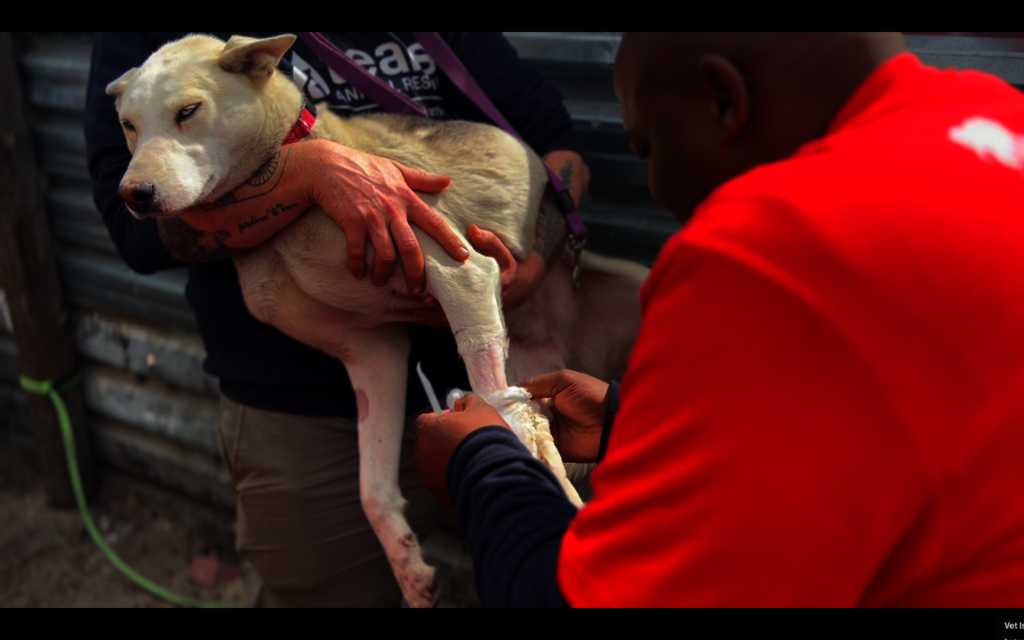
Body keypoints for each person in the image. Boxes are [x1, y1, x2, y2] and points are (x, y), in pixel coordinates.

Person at [414, 32, 1024, 607]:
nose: (654, 183)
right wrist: (627, 419)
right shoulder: (995, 116)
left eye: (647, 149)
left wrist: (483, 464)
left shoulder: (766, 246)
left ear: (723, 100)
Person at [85, 31, 590, 607]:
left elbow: (554, 142)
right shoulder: (161, 58)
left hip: (507, 369)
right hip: (306, 420)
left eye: (186, 113)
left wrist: (536, 265)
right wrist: (307, 173)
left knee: (555, 580)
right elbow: (132, 226)